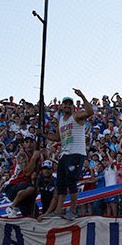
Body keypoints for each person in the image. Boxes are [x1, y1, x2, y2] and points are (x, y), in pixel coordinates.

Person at [43, 89, 94, 220]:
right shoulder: (61, 120)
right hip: (64, 155)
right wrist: (43, 135)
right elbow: (57, 137)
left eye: (69, 104)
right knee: (61, 184)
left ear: (73, 106)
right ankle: (59, 209)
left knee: (71, 181)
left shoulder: (76, 116)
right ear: (61, 106)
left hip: (76, 153)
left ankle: (72, 210)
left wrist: (82, 96)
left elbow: (90, 112)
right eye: (65, 103)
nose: (67, 105)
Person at [4, 136, 42, 217]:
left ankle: (17, 207)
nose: (29, 144)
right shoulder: (22, 155)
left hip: (25, 189)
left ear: (35, 144)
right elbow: (27, 172)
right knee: (32, 188)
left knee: (33, 213)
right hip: (13, 185)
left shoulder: (39, 156)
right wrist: (34, 158)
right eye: (26, 142)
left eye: (31, 142)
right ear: (23, 144)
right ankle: (12, 206)